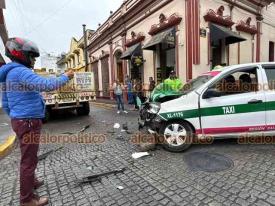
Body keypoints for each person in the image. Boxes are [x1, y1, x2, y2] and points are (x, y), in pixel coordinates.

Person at [0, 37, 74, 206]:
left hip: (20, 120)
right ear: (21, 55)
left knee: (28, 156)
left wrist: (16, 116)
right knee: (29, 160)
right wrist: (65, 77)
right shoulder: (21, 71)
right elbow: (45, 85)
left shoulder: (9, 73)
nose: (33, 60)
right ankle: (26, 199)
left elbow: (5, 103)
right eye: (32, 57)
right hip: (28, 121)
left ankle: (31, 181)